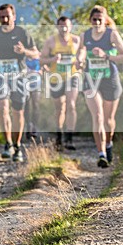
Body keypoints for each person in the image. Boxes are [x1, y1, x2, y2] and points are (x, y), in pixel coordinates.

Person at [76, 6, 123, 167]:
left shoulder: (112, 35)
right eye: (94, 19)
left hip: (109, 79)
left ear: (105, 20)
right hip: (91, 80)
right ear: (90, 20)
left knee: (108, 120)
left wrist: (106, 55)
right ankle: (101, 154)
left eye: (100, 19)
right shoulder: (84, 36)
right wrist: (79, 60)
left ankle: (109, 144)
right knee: (97, 116)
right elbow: (81, 52)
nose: (97, 22)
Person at [0, 4, 40, 163]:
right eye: (2, 16)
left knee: (18, 112)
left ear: (14, 16)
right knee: (3, 107)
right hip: (0, 74)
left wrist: (24, 52)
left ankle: (17, 146)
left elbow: (35, 54)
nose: (5, 19)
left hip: (19, 76)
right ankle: (7, 143)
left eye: (8, 16)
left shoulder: (22, 33)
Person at [40, 16, 81, 150]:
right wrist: (53, 59)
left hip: (72, 76)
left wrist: (80, 61)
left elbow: (83, 54)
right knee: (59, 108)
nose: (64, 28)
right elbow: (41, 60)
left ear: (70, 27)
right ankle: (59, 133)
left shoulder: (76, 40)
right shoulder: (51, 41)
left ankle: (69, 138)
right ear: (57, 27)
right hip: (56, 78)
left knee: (71, 104)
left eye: (66, 26)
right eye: (61, 26)